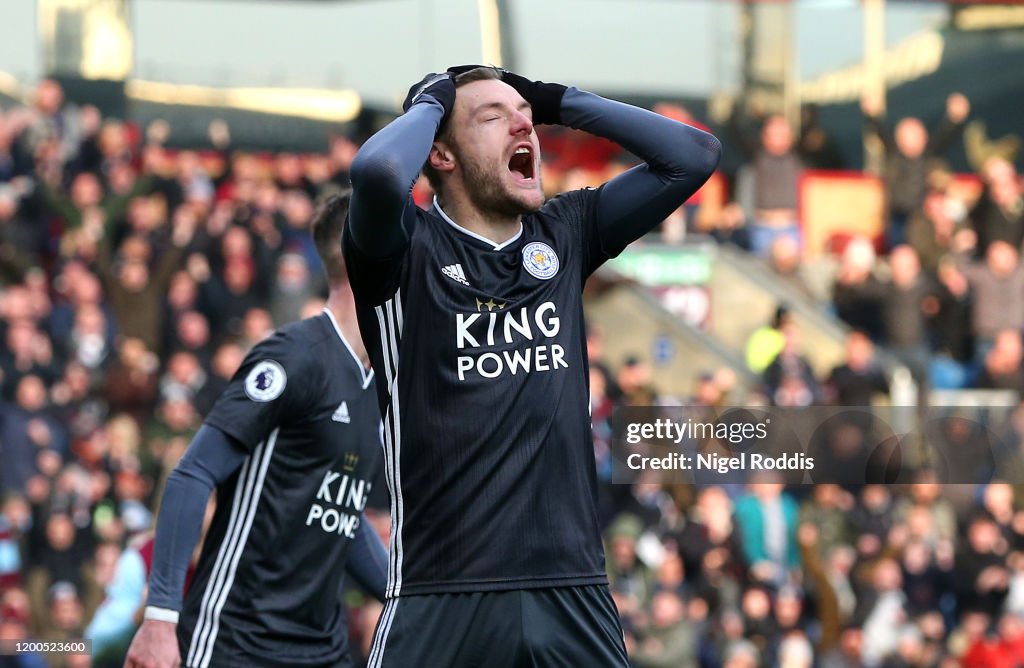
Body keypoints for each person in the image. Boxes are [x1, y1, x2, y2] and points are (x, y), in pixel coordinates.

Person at [343, 65, 720, 666]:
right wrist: (432, 103)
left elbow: (694, 155)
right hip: (442, 594)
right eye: (492, 117)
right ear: (440, 152)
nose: (523, 123)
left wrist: (556, 100)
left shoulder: (566, 232)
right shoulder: (403, 250)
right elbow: (379, 172)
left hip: (572, 590)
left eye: (524, 113)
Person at [124, 191, 388, 668]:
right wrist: (161, 618)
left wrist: (401, 593)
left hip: (321, 649)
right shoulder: (295, 358)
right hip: (238, 642)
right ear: (364, 256)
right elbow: (193, 473)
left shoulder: (381, 380)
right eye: (404, 239)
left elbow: (338, 511)